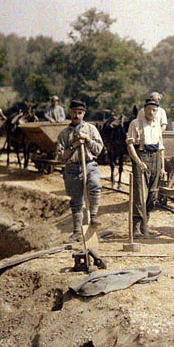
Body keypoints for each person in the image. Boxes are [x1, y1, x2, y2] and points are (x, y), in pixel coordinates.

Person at [57, 100, 104, 242]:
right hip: (72, 168)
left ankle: (94, 217)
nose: (76, 115)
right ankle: (77, 231)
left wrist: (87, 139)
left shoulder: (91, 129)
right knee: (76, 200)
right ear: (70, 113)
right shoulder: (64, 134)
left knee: (95, 184)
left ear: (84, 114)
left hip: (89, 165)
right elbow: (61, 157)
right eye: (74, 112)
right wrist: (74, 146)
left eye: (79, 113)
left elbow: (98, 150)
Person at [126, 96, 166, 238]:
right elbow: (130, 144)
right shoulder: (135, 123)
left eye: (154, 110)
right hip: (142, 157)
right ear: (144, 110)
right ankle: (136, 227)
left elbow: (161, 147)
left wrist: (162, 167)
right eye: (149, 110)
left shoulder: (156, 125)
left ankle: (145, 224)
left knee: (153, 194)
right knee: (139, 194)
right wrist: (138, 162)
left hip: (156, 159)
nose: (151, 113)